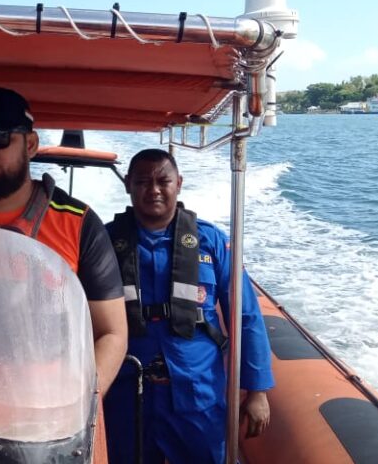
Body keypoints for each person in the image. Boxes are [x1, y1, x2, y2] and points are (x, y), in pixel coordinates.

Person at [0, 87, 127, 397]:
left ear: (30, 144)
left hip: (51, 409)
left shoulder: (78, 223)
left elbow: (111, 332)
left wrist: (82, 402)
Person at [103, 149, 274, 464]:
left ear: (178, 183)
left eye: (163, 181)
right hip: (126, 393)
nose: (154, 190)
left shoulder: (211, 241)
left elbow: (245, 316)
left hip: (197, 396)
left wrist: (257, 391)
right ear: (127, 184)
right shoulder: (102, 242)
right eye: (142, 182)